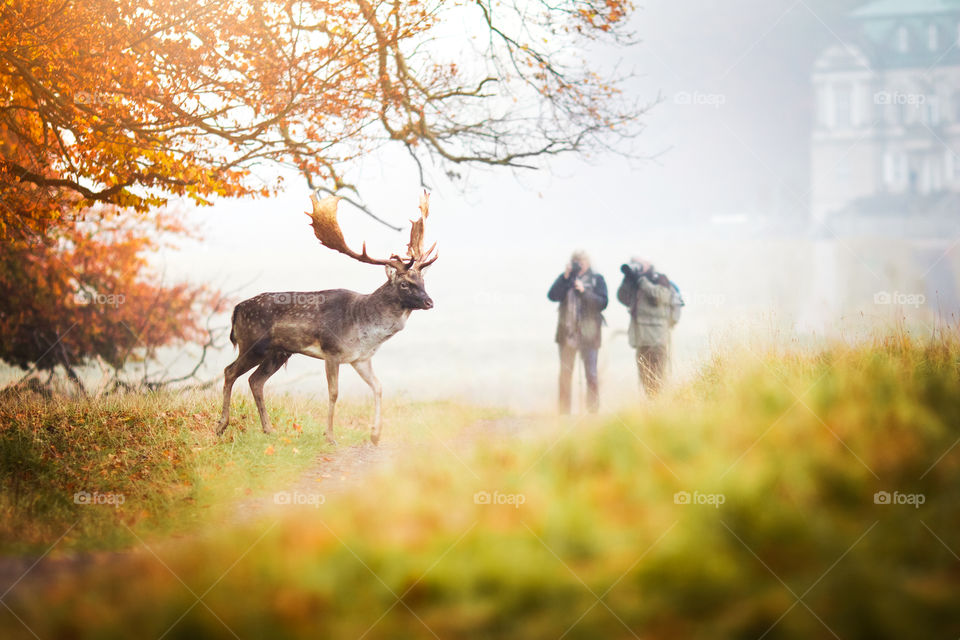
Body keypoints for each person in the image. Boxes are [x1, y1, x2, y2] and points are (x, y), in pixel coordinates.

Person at [548, 250, 608, 414]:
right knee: (565, 375)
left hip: (589, 335)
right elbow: (552, 295)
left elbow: (602, 303)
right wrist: (565, 277)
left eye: (581, 262)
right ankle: (564, 412)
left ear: (588, 262)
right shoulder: (566, 279)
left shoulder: (597, 280)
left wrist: (584, 291)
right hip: (567, 335)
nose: (578, 265)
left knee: (591, 375)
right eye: (575, 262)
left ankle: (593, 411)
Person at [617, 258, 683, 396]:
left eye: (638, 263)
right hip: (641, 339)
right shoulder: (634, 282)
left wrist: (642, 281)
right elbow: (622, 298)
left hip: (657, 338)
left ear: (647, 264)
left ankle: (660, 406)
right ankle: (651, 408)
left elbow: (660, 297)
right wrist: (628, 279)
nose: (636, 266)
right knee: (645, 377)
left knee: (658, 376)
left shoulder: (659, 278)